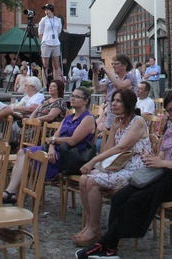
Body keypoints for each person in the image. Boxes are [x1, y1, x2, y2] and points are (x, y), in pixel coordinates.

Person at [76, 92, 172, 259]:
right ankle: (110, 248)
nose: (169, 115)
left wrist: (161, 163)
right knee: (119, 197)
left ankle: (106, 244)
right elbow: (162, 158)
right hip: (162, 176)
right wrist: (152, 160)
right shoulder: (171, 131)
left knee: (135, 200)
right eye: (167, 111)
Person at [72, 89, 151, 247]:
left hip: (136, 169)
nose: (114, 104)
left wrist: (93, 161)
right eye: (113, 100)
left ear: (128, 104)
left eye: (118, 101)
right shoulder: (120, 122)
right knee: (83, 180)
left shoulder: (138, 122)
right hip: (118, 165)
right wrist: (113, 129)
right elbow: (107, 151)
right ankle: (89, 224)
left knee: (92, 182)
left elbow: (122, 147)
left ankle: (94, 228)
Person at [3, 87, 96, 203]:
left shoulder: (88, 119)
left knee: (29, 163)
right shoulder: (68, 117)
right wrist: (51, 146)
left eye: (77, 96)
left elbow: (72, 141)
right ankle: (11, 191)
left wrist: (53, 141)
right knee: (22, 152)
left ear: (86, 101)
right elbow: (53, 138)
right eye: (72, 95)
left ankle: (16, 194)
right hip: (54, 151)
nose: (72, 98)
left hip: (69, 156)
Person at [95, 54, 138, 135]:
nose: (114, 66)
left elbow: (120, 86)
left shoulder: (130, 77)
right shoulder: (112, 78)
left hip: (125, 118)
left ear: (125, 66)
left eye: (116, 64)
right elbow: (98, 88)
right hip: (111, 118)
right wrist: (95, 73)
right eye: (112, 64)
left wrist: (106, 70)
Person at [39, 3, 63, 82]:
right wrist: (44, 41)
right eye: (45, 10)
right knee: (45, 65)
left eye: (47, 10)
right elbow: (40, 32)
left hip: (55, 43)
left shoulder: (58, 20)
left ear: (51, 10)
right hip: (46, 43)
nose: (46, 11)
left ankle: (56, 82)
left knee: (56, 64)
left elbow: (58, 31)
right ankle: (45, 84)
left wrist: (54, 38)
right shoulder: (43, 20)